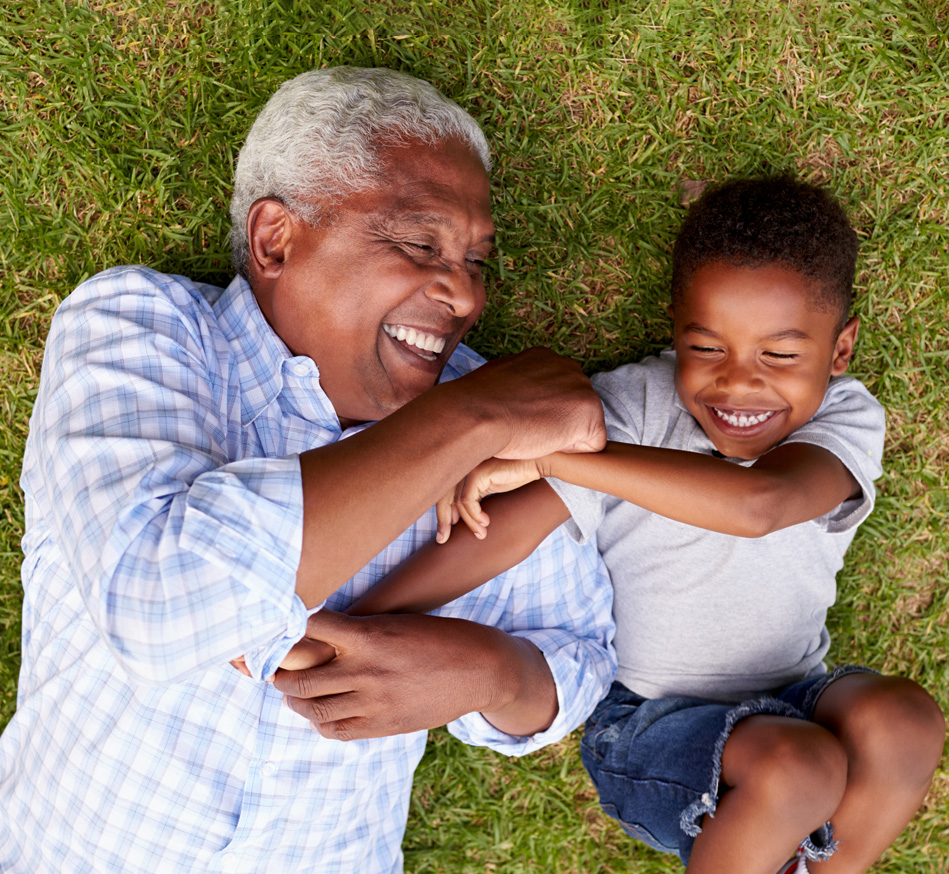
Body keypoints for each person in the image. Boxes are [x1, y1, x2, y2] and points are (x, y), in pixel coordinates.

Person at [0, 67, 617, 873]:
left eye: (475, 260)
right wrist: (472, 418)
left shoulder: (493, 421)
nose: (462, 294)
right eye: (418, 244)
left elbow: (577, 657)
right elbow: (160, 604)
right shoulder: (140, 328)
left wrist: (487, 673)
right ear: (275, 240)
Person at [297, 177, 947, 874]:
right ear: (675, 329)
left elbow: (761, 506)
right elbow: (511, 530)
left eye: (780, 356)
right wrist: (361, 620)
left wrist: (560, 457)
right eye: (706, 349)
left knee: (904, 721)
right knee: (800, 765)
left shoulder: (842, 417)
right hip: (646, 724)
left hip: (797, 689)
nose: (737, 385)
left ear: (839, 350)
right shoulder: (631, 404)